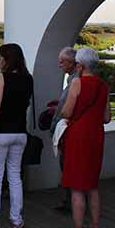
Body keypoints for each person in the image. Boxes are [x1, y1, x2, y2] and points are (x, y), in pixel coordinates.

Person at [59, 48, 111, 228]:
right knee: (92, 185)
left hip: (78, 137)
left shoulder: (77, 82)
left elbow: (67, 112)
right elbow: (107, 118)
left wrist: (61, 110)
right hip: (96, 136)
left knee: (77, 187)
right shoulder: (103, 86)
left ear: (80, 65)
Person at [0, 43, 33, 228]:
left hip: (1, 132)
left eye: (0, 57)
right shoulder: (28, 78)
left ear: (6, 59)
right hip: (20, 133)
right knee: (15, 177)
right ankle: (16, 219)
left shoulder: (2, 78)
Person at [49, 46, 77, 213]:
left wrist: (54, 126)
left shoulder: (74, 82)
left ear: (72, 62)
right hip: (72, 130)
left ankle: (70, 202)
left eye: (62, 62)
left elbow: (66, 110)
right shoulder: (72, 80)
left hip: (67, 131)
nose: (59, 65)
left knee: (66, 166)